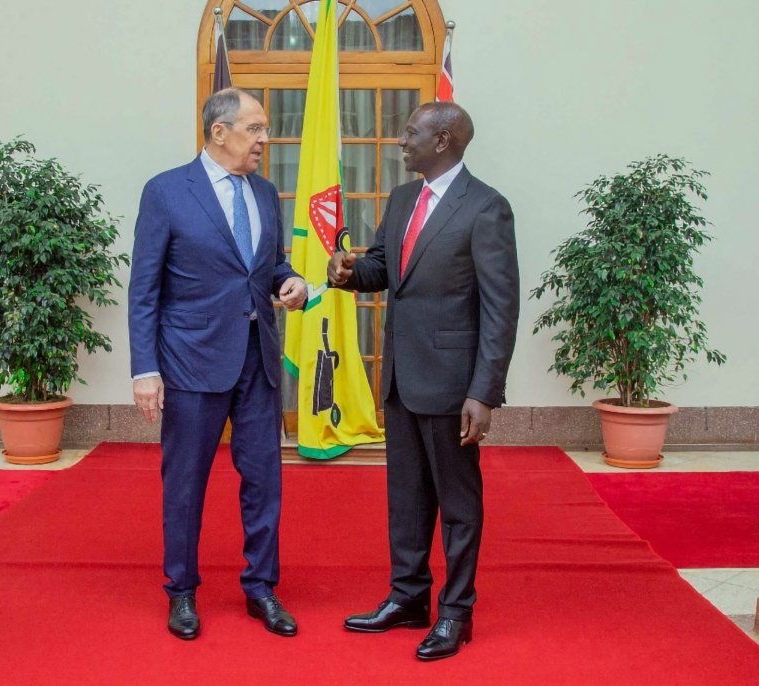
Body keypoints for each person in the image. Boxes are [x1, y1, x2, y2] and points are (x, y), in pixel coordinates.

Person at [328, 101, 520, 661]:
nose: (399, 141)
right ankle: (408, 598)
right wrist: (346, 272)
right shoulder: (403, 198)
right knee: (406, 499)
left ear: (443, 141)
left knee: (458, 504)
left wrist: (484, 392)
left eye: (410, 132)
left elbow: (500, 308)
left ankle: (456, 612)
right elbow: (383, 269)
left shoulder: (487, 208)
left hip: (454, 384)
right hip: (401, 379)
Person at [129, 88, 308, 641]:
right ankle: (181, 591)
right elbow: (144, 289)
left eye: (264, 129)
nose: (264, 139)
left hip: (257, 362)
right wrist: (145, 368)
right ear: (218, 132)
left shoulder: (265, 192)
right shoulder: (166, 192)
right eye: (255, 128)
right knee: (185, 484)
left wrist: (290, 281)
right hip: (190, 364)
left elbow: (270, 265)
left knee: (264, 482)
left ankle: (261, 588)